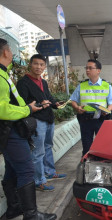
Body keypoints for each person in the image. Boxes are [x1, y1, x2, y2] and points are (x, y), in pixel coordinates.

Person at [0, 39, 56, 219]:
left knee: (12, 169)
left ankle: (14, 208)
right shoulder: (2, 77)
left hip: (10, 130)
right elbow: (2, 108)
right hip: (10, 130)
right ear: (5, 52)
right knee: (26, 170)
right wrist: (28, 109)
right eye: (10, 50)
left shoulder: (4, 74)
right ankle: (31, 215)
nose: (12, 53)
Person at [16, 54, 67, 192]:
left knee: (48, 146)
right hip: (37, 121)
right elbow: (23, 104)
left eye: (41, 65)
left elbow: (48, 98)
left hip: (48, 119)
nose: (39, 67)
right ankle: (38, 181)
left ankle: (49, 172)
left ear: (44, 67)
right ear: (30, 65)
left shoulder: (43, 82)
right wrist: (40, 104)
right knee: (38, 152)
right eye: (36, 64)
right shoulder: (23, 83)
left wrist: (55, 103)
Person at [70, 59, 112, 156]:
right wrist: (77, 107)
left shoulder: (106, 85)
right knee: (87, 145)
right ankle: (86, 165)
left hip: (101, 118)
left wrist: (108, 110)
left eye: (90, 68)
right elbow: (73, 100)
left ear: (98, 70)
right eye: (86, 68)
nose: (87, 70)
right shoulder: (81, 85)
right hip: (86, 119)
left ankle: (102, 165)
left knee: (102, 144)